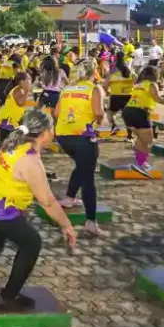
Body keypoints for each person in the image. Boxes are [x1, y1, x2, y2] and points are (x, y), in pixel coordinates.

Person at [0, 110, 77, 308]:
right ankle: (9, 296)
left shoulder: (13, 141)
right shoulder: (30, 160)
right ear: (45, 133)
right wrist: (66, 225)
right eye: (52, 130)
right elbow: (47, 201)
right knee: (32, 243)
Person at [54, 59, 105, 236]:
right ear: (93, 72)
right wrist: (99, 119)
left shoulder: (67, 89)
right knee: (88, 176)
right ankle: (91, 222)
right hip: (83, 136)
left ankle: (69, 198)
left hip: (63, 135)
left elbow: (56, 113)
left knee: (82, 167)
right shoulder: (94, 88)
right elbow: (98, 113)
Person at [122, 65, 164, 177]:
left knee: (141, 139)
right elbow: (157, 98)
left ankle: (140, 162)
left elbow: (148, 96)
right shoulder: (152, 84)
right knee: (148, 140)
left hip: (128, 111)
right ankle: (140, 163)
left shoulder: (138, 85)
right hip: (140, 112)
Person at [0, 72, 32, 144]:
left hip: (9, 120)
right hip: (8, 121)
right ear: (22, 81)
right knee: (9, 146)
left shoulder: (19, 89)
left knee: (8, 146)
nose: (30, 80)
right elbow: (20, 103)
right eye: (29, 79)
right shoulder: (18, 90)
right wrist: (27, 90)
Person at [103, 53, 134, 132]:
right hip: (128, 96)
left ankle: (114, 126)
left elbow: (105, 85)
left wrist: (107, 92)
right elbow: (137, 80)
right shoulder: (130, 71)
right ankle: (130, 136)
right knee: (129, 117)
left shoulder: (112, 72)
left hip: (115, 96)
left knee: (110, 113)